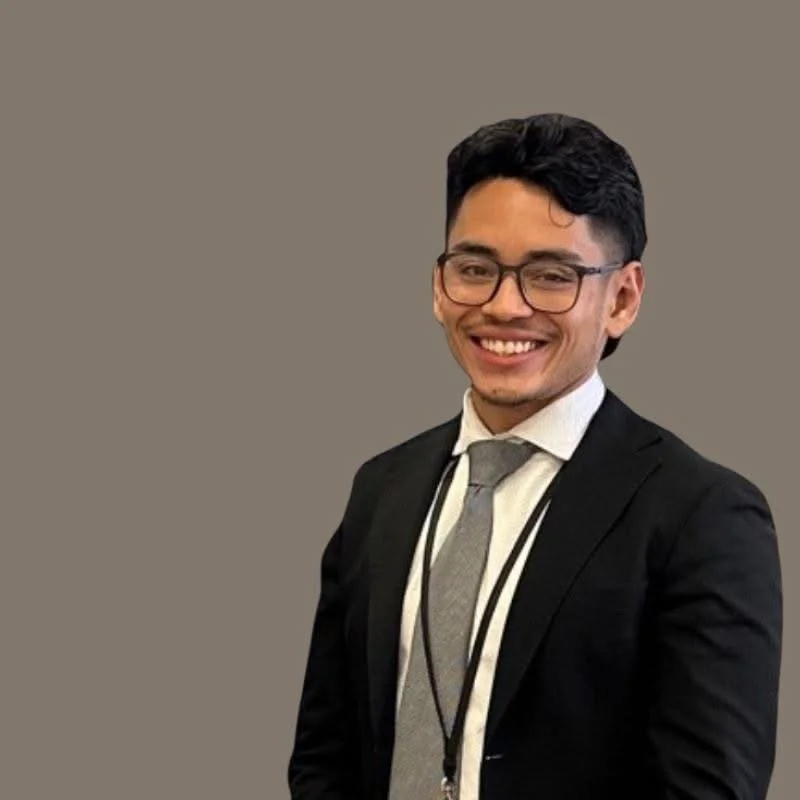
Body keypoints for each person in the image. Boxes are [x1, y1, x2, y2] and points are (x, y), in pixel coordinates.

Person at [287, 113, 783, 800]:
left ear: (624, 298)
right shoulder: (382, 488)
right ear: (439, 285)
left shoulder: (702, 515)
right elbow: (324, 756)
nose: (504, 305)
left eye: (551, 276)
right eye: (475, 269)